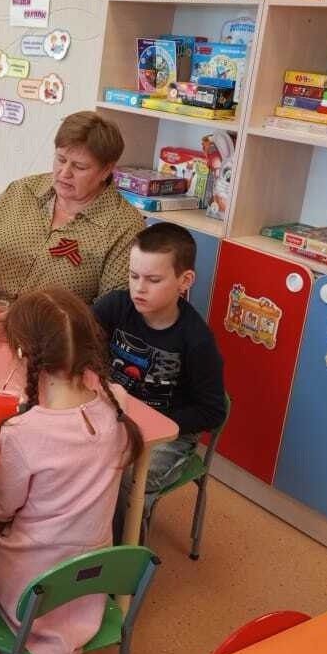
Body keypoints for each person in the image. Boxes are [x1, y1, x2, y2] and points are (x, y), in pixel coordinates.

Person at [0, 287, 144, 654]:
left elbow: (2, 508)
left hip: (30, 593)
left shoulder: (23, 434)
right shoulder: (117, 407)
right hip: (86, 588)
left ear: (24, 354)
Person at [0, 111, 144, 335]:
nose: (64, 173)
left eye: (79, 167)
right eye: (60, 159)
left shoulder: (124, 226)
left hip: (47, 344)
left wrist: (33, 324)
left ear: (106, 170)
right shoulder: (23, 191)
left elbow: (110, 316)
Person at [92, 223, 226, 536]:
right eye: (133, 276)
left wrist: (151, 421)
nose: (139, 288)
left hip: (169, 436)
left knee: (124, 478)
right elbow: (79, 342)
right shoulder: (116, 306)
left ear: (185, 281)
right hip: (115, 414)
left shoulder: (197, 341)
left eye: (153, 280)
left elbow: (212, 411)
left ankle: (122, 552)